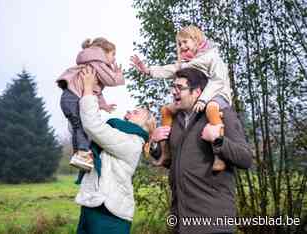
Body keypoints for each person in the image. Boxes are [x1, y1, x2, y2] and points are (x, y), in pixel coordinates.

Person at [150, 68, 253, 234]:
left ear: (197, 92)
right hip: (180, 221)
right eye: (172, 87)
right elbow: (174, 162)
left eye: (180, 88)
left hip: (212, 221)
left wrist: (218, 140)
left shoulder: (221, 115)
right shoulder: (175, 121)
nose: (173, 91)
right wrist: (155, 143)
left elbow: (245, 158)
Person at [131, 25, 231, 171]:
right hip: (195, 97)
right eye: (179, 44)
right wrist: (148, 70)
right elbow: (169, 69)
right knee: (166, 110)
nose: (182, 46)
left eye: (185, 42)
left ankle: (219, 156)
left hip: (216, 94)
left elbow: (218, 80)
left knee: (211, 109)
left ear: (196, 40)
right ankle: (166, 152)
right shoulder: (186, 63)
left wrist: (204, 99)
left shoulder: (211, 57)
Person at [75, 66, 156, 234]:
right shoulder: (120, 135)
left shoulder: (133, 143)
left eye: (136, 112)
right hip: (93, 206)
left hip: (110, 215)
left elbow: (93, 126)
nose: (128, 112)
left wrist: (89, 89)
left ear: (145, 126)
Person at [57, 37, 125, 171]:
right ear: (103, 52)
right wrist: (118, 74)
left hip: (69, 98)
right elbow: (111, 80)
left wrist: (103, 105)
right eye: (113, 54)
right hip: (73, 98)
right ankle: (82, 154)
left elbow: (95, 91)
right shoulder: (97, 62)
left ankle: (80, 155)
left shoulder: (91, 64)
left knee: (79, 126)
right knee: (83, 126)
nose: (114, 59)